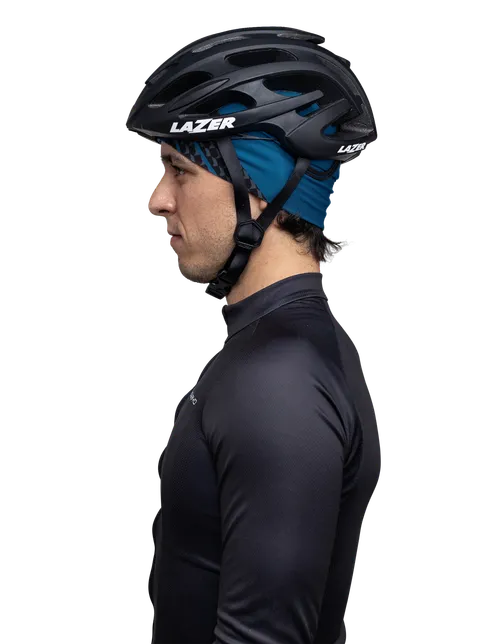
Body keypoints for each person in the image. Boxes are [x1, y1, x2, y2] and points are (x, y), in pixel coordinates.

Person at [125, 24, 383, 644]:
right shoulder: (280, 350)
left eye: (179, 169)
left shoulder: (278, 379)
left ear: (259, 187)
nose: (157, 200)